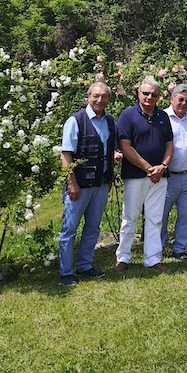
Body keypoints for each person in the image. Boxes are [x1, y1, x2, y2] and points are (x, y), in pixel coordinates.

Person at [58, 83, 116, 286]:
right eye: (96, 96)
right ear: (88, 97)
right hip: (79, 185)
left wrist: (109, 178)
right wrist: (71, 183)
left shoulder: (109, 121)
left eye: (104, 96)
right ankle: (66, 272)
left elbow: (108, 151)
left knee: (92, 227)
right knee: (69, 229)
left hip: (100, 184)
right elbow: (66, 155)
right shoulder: (75, 121)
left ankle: (84, 265)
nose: (100, 100)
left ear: (108, 99)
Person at [115, 77, 174, 273]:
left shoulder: (163, 116)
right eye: (146, 93)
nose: (149, 97)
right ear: (138, 93)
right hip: (136, 175)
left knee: (155, 218)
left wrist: (163, 166)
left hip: (160, 176)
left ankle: (153, 258)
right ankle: (123, 257)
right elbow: (125, 146)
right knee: (129, 218)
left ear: (159, 97)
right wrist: (149, 168)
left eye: (154, 94)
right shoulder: (128, 115)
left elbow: (169, 144)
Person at [161, 84, 187, 261]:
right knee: (161, 215)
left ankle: (180, 249)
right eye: (181, 99)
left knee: (185, 215)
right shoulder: (162, 117)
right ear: (172, 99)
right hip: (167, 176)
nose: (184, 103)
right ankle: (157, 249)